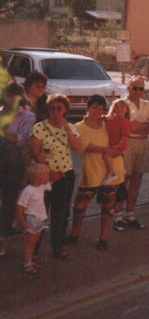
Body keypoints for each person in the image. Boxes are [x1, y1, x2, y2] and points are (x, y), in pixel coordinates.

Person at [69, 95, 125, 250]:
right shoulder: (78, 127)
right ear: (87, 108)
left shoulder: (108, 123)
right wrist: (106, 149)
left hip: (112, 172)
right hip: (91, 172)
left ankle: (102, 238)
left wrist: (120, 149)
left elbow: (122, 133)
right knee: (80, 206)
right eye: (93, 107)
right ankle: (74, 234)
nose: (97, 111)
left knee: (107, 206)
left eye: (100, 108)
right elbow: (82, 146)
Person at [30, 94, 82, 260]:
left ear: (65, 110)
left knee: (61, 213)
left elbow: (77, 148)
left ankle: (57, 246)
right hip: (42, 177)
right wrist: (49, 172)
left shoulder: (71, 128)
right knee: (38, 213)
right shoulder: (40, 127)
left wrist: (67, 129)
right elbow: (35, 151)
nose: (55, 111)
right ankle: (33, 250)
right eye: (52, 108)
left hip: (65, 176)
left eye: (59, 108)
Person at [117, 76, 149, 231]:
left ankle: (130, 214)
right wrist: (143, 125)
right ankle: (118, 216)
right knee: (124, 180)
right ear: (128, 88)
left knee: (137, 180)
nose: (138, 91)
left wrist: (138, 127)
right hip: (128, 143)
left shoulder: (147, 104)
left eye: (141, 88)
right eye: (135, 88)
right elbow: (129, 127)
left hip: (143, 143)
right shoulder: (121, 104)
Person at [0, 82, 34, 257]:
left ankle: (2, 241)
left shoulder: (27, 116)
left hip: (12, 163)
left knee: (8, 202)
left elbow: (21, 139)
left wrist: (5, 135)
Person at [16, 164, 51, 274]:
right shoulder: (28, 190)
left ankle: (30, 261)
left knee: (34, 242)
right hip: (31, 219)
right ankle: (26, 264)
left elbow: (51, 183)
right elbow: (19, 206)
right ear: (36, 178)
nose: (48, 178)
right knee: (29, 244)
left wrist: (58, 174)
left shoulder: (42, 186)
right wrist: (21, 220)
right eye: (46, 175)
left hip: (40, 218)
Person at [101, 99, 131, 186]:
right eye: (116, 107)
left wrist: (117, 145)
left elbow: (124, 136)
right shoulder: (110, 119)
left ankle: (112, 174)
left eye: (122, 107)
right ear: (113, 109)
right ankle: (121, 169)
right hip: (112, 142)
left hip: (119, 144)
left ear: (127, 110)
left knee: (106, 155)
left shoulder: (125, 121)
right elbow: (102, 116)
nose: (119, 109)